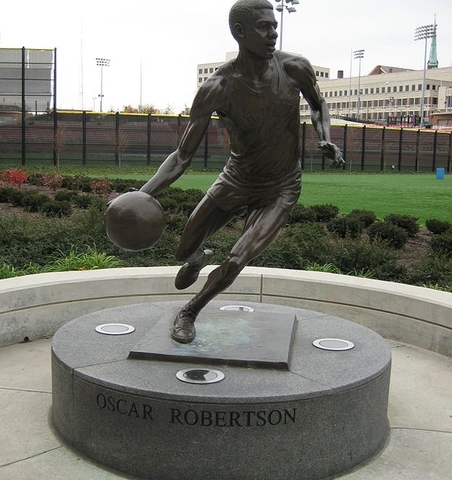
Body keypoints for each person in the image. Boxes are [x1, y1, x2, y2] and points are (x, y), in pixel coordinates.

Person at [140, 0, 344, 344]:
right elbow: (182, 155)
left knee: (236, 259)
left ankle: (189, 311)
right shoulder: (218, 87)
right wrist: (141, 195)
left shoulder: (295, 68)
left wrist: (325, 137)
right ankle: (196, 258)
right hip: (236, 180)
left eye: (274, 26)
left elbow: (318, 103)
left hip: (281, 188)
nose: (273, 33)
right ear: (240, 32)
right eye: (264, 27)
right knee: (183, 249)